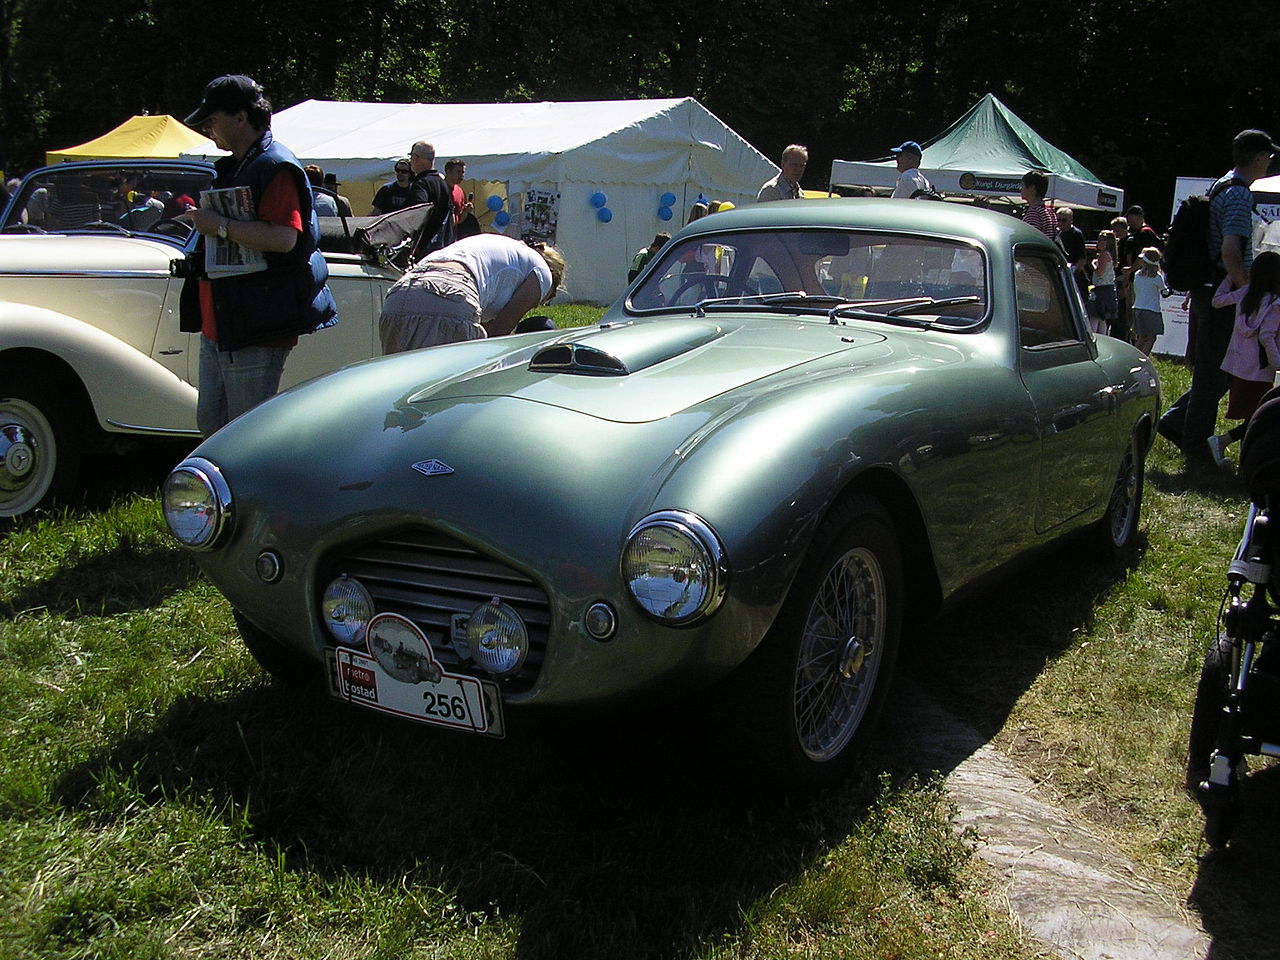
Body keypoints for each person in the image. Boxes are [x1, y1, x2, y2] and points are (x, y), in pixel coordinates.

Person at [179, 74, 337, 438]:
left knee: (245, 435)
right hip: (225, 321)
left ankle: (255, 496)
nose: (207, 127)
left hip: (256, 324)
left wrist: (217, 225)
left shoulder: (273, 165)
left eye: (213, 118)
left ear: (241, 117)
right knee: (213, 425)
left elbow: (284, 238)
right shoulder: (238, 163)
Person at [1158, 128, 1279, 467]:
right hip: (1221, 294)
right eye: (1268, 155)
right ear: (1257, 157)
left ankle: (1176, 421)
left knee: (1217, 371)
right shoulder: (1239, 195)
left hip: (1207, 291)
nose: (1270, 161)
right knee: (1215, 374)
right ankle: (1196, 448)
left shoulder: (1221, 184)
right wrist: (1247, 293)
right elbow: (1230, 250)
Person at [379, 234, 565, 353]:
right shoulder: (542, 274)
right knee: (446, 400)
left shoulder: (504, 249)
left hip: (401, 292)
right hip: (447, 293)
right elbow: (496, 336)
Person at [1206, 251, 1280, 467]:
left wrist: (1231, 275)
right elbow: (1267, 336)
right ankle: (1224, 442)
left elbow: (1217, 301)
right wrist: (1277, 363)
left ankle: (1238, 455)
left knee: (1252, 416)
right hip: (1261, 368)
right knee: (1261, 417)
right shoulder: (1274, 303)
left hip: (1240, 365)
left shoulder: (1246, 294)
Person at [406, 140, 451, 256]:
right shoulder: (442, 183)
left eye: (411, 156)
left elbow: (419, 212)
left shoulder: (421, 183)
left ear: (416, 158)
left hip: (423, 248)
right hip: (442, 246)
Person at [1131, 247, 1170, 355]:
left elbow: (1136, 290)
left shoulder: (1137, 275)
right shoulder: (1157, 277)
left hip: (1138, 308)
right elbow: (1165, 292)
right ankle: (1144, 358)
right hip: (1151, 310)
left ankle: (1135, 356)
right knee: (1151, 337)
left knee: (1142, 336)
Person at [1056, 206, 1089, 304]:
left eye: (1064, 220)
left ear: (1071, 220)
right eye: (1058, 220)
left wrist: (1073, 272)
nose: (1060, 223)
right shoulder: (1057, 233)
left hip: (1072, 270)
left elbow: (1082, 258)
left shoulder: (1076, 234)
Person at [1090, 230, 1119, 334]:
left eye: (1100, 240)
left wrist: (1093, 264)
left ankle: (1092, 336)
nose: (1098, 243)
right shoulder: (1108, 255)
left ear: (1107, 243)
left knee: (1094, 316)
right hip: (1108, 289)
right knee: (1102, 319)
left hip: (1101, 290)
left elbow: (1100, 272)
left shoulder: (1103, 255)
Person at [1020, 170, 1058, 238]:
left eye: (1022, 185)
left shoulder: (1034, 213)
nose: (1020, 189)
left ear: (1032, 188)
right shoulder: (1050, 211)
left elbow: (1030, 239)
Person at [443, 159, 476, 236]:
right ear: (448, 171)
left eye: (463, 172)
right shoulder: (439, 188)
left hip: (452, 237)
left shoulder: (460, 191)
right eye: (458, 172)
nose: (461, 175)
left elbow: (458, 220)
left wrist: (465, 212)